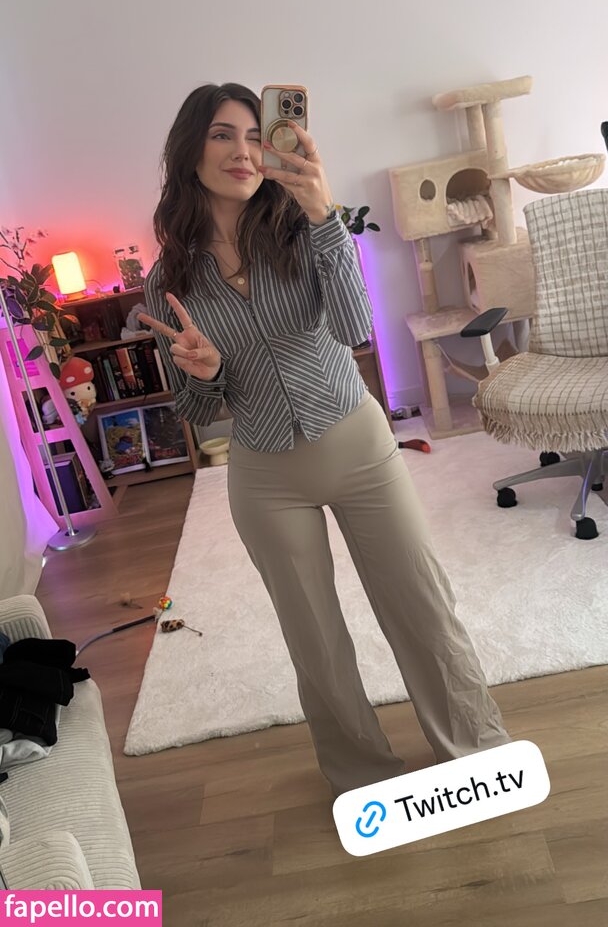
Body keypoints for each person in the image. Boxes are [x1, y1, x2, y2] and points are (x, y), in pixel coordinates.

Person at [139, 82, 511, 798]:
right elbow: (199, 410)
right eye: (222, 135)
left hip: (358, 445)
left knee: (421, 604)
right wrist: (206, 372)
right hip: (265, 476)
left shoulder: (304, 228)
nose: (243, 152)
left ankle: (475, 751)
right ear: (190, 151)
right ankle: (363, 776)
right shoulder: (169, 282)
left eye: (255, 135)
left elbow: (353, 328)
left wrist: (322, 215)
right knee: (315, 639)